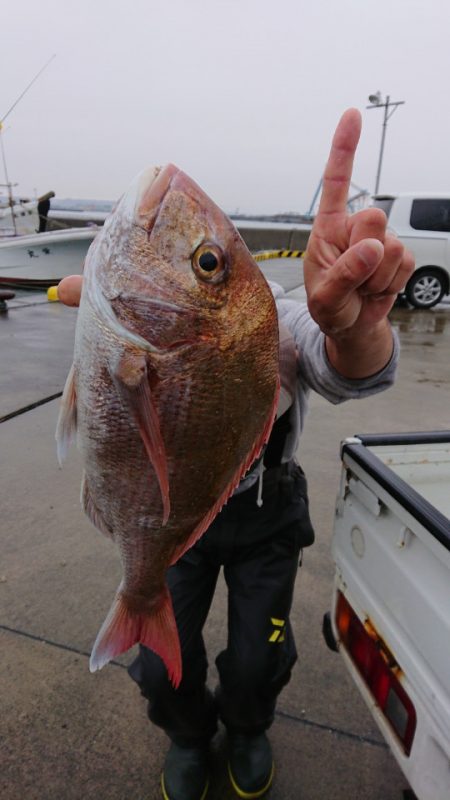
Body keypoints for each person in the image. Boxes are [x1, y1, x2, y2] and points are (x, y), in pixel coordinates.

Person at [58, 108, 414, 800]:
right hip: (174, 530)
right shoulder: (115, 311)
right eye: (208, 260)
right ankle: (190, 735)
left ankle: (248, 729)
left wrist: (355, 330)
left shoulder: (275, 317)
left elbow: (348, 368)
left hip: (266, 515)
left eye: (208, 261)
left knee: (257, 660)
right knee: (158, 668)